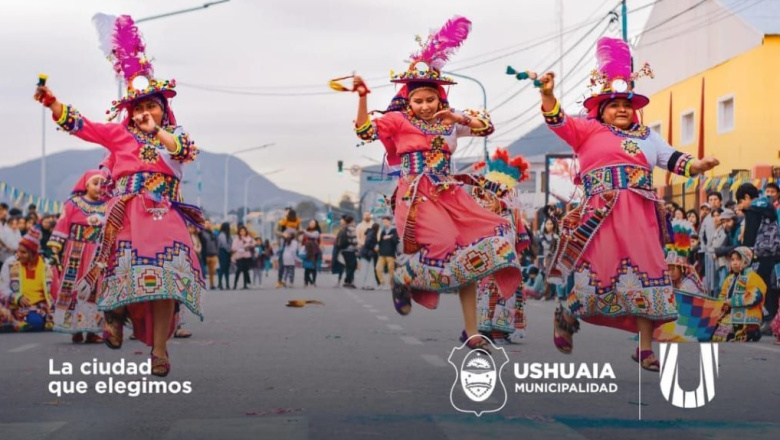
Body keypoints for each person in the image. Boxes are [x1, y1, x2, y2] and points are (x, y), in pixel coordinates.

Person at [34, 15, 204, 376]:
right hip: (124, 214)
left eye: (151, 106)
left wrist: (156, 130)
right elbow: (85, 126)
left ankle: (159, 350)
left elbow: (183, 152)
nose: (144, 112)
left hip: (163, 216)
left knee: (165, 284)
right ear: (129, 112)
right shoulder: (118, 136)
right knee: (117, 270)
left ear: (163, 108)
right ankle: (113, 316)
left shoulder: (173, 135)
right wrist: (54, 105)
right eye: (138, 108)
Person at [536, 37, 719, 370]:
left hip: (641, 217)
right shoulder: (587, 130)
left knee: (649, 274)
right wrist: (548, 94)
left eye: (627, 103)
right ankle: (567, 314)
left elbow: (675, 159)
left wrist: (699, 165)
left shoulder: (649, 137)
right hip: (600, 216)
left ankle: (645, 348)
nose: (622, 108)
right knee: (599, 274)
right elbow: (557, 119)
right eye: (614, 103)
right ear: (600, 108)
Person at [352, 16, 521, 349]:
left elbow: (487, 127)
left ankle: (472, 332)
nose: (426, 105)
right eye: (419, 100)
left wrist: (457, 118)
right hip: (416, 195)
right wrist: (361, 97)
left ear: (440, 99)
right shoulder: (397, 121)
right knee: (444, 243)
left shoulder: (450, 121)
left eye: (431, 99)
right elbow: (363, 131)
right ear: (409, 102)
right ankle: (404, 276)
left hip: (451, 195)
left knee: (477, 250)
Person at [471, 149, 532, 344]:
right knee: (487, 292)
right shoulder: (483, 217)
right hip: (488, 265)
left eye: (491, 199)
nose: (487, 202)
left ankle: (501, 330)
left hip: (506, 264)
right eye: (485, 198)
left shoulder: (510, 217)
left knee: (506, 292)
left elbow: (518, 240)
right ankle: (486, 329)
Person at [47, 169, 107, 343]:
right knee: (73, 288)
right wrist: (55, 252)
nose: (99, 187)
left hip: (97, 254)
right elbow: (62, 226)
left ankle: (93, 330)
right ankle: (76, 329)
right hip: (76, 253)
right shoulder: (73, 204)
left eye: (102, 184)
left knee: (94, 289)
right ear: (86, 184)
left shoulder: (108, 205)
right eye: (95, 183)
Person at [736, 183, 780, 334]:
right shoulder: (769, 206)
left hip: (758, 254)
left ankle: (760, 319)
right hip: (772, 252)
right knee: (770, 287)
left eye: (741, 202)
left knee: (758, 287)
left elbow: (750, 236)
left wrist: (744, 254)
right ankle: (771, 321)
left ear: (747, 197)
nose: (741, 206)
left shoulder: (753, 210)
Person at [0, 226, 55, 332]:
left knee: (37, 323)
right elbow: (2, 288)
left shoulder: (46, 265)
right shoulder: (10, 263)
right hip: (14, 307)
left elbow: (53, 291)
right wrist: (17, 297)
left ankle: (16, 325)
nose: (19, 255)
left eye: (23, 252)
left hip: (39, 307)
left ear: (33, 254)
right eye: (18, 251)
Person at [711, 247, 766, 342]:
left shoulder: (753, 277)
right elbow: (722, 295)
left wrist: (731, 301)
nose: (734, 263)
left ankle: (753, 331)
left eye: (738, 259)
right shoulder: (729, 278)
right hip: (731, 313)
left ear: (746, 260)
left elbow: (754, 297)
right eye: (732, 260)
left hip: (748, 313)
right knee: (714, 334)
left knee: (731, 335)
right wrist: (723, 303)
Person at [376, 216, 399, 289]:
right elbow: (379, 241)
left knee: (391, 270)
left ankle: (390, 284)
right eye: (383, 222)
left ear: (389, 221)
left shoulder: (394, 230)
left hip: (390, 254)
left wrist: (390, 237)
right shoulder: (382, 231)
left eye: (385, 221)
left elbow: (396, 241)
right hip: (382, 254)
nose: (384, 223)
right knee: (378, 268)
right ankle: (382, 283)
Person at [335, 215, 358, 288]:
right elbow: (354, 240)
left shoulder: (344, 228)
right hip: (350, 250)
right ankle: (348, 281)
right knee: (353, 266)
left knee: (348, 266)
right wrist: (356, 247)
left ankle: (348, 281)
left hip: (343, 250)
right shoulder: (352, 228)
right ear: (351, 221)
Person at [231, 226, 254, 290]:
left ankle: (245, 284)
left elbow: (253, 244)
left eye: (244, 231)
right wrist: (240, 247)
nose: (242, 232)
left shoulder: (248, 238)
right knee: (239, 270)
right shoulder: (237, 239)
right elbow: (233, 247)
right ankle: (235, 284)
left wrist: (248, 244)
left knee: (245, 270)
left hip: (247, 255)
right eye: (241, 231)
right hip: (239, 256)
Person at [301, 220, 322, 287]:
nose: (311, 224)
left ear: (316, 225)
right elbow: (303, 241)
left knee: (313, 267)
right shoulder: (306, 231)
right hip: (307, 250)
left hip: (314, 250)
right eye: (310, 223)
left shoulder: (316, 232)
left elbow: (313, 236)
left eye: (313, 223)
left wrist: (304, 231)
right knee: (307, 267)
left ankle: (313, 281)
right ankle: (306, 281)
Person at [200, 220, 219, 290]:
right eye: (206, 223)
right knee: (202, 271)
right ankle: (201, 285)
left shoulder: (213, 233)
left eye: (209, 223)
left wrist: (217, 252)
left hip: (213, 254)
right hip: (205, 255)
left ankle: (212, 284)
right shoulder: (201, 233)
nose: (207, 225)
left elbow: (216, 243)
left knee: (212, 272)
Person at [217, 222, 233, 290]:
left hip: (226, 252)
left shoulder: (227, 235)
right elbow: (224, 244)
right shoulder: (222, 235)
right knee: (222, 268)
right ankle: (220, 283)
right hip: (223, 252)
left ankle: (227, 284)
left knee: (226, 269)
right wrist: (229, 250)